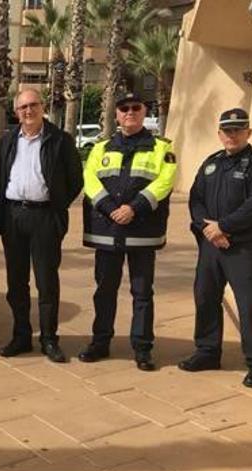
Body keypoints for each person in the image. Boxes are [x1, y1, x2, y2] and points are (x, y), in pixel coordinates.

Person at [78, 92, 178, 371]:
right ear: (117, 114)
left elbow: (165, 181)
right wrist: (111, 208)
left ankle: (143, 348)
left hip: (142, 229)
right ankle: (100, 342)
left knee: (142, 292)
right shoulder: (101, 148)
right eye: (124, 108)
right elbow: (90, 179)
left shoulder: (162, 147)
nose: (130, 112)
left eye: (136, 107)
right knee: (104, 290)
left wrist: (133, 208)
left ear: (144, 111)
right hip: (107, 229)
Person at [180, 108, 252, 388]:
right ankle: (207, 352)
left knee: (250, 304)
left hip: (241, 247)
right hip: (212, 245)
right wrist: (209, 230)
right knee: (205, 297)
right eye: (227, 130)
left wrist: (224, 227)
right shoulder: (212, 163)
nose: (232, 135)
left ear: (249, 133)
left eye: (238, 130)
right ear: (220, 134)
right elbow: (195, 199)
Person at [0, 89, 83, 363]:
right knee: (16, 282)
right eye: (22, 107)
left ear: (42, 107)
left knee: (46, 281)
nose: (28, 111)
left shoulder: (60, 140)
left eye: (33, 105)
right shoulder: (8, 140)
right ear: (16, 111)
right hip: (13, 216)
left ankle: (49, 339)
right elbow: (1, 175)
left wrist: (56, 205)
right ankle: (21, 336)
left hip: (45, 217)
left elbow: (75, 180)